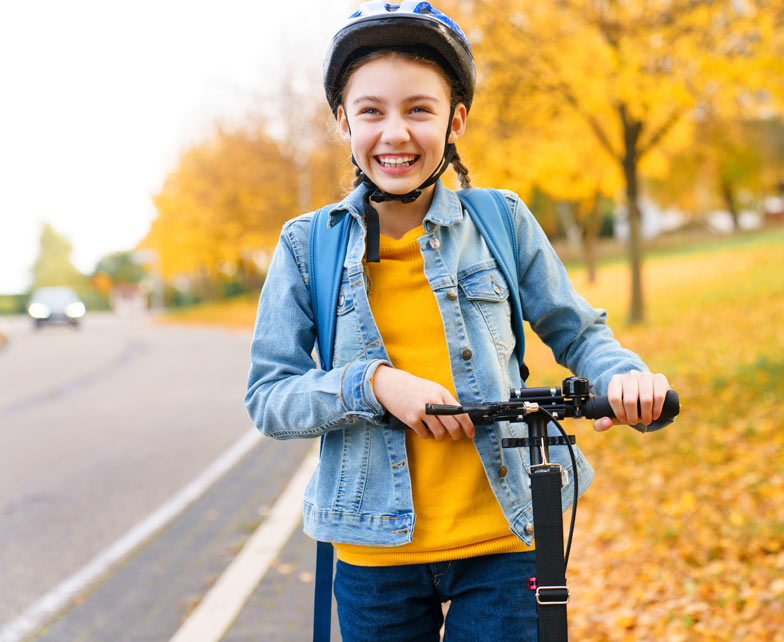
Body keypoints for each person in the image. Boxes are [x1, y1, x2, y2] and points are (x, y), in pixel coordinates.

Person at [244, 2, 671, 640]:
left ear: (454, 121)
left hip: (505, 538)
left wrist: (623, 377)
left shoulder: (501, 220)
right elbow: (269, 397)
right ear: (343, 121)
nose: (395, 133)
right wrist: (374, 384)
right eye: (371, 110)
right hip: (374, 556)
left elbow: (579, 332)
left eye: (420, 109)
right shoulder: (308, 246)